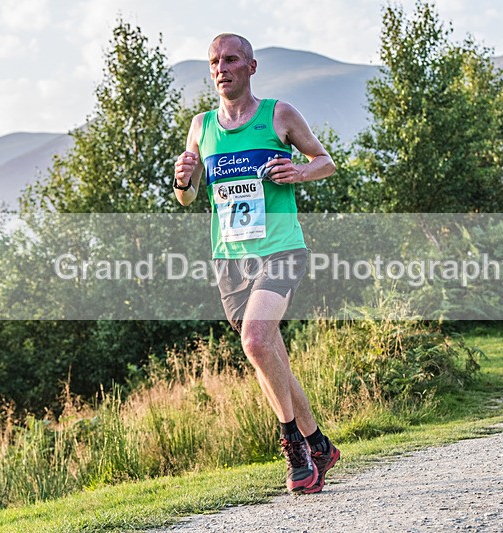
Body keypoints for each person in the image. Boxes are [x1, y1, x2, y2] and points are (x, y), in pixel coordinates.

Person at [173, 33, 339, 493]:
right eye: (214, 62)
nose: (221, 68)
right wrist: (182, 181)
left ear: (251, 66)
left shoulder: (278, 115)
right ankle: (319, 443)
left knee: (255, 338)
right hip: (230, 257)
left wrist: (300, 170)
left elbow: (325, 161)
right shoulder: (200, 126)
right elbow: (188, 197)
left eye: (230, 60)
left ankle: (293, 445)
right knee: (270, 355)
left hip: (281, 248)